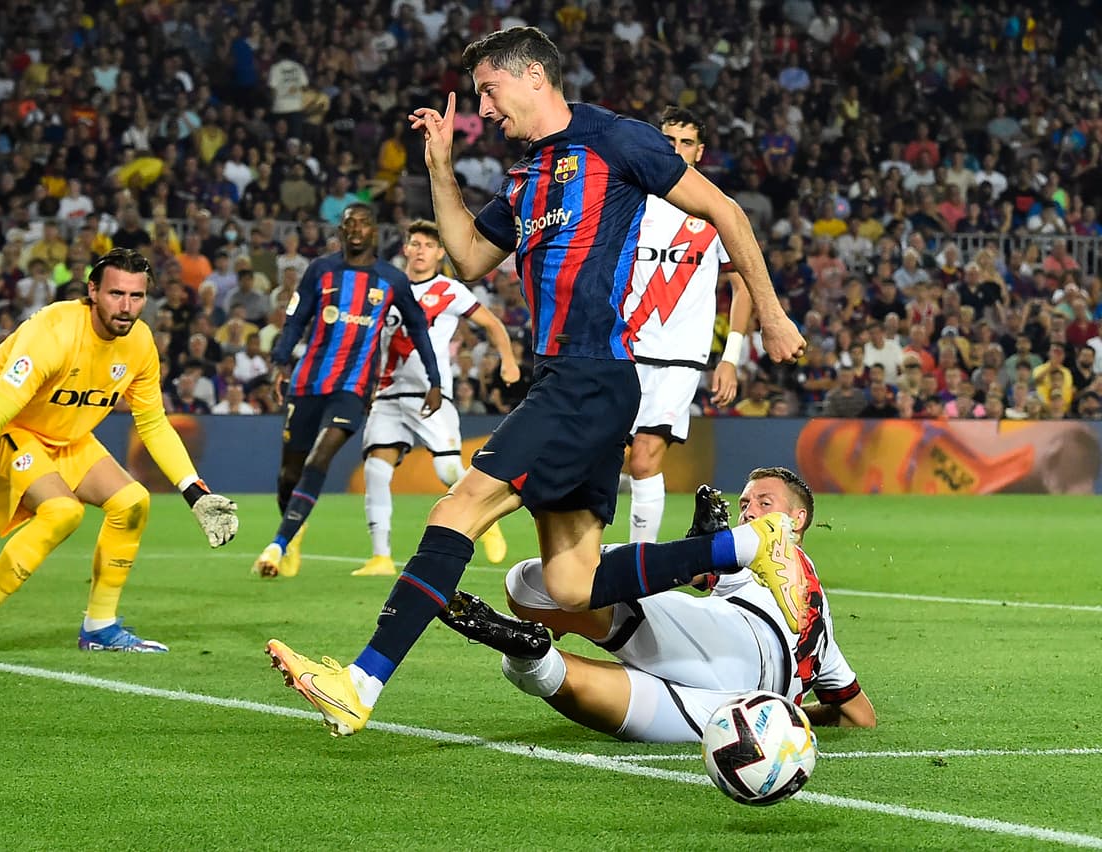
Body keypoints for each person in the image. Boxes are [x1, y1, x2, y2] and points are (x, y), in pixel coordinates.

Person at [266, 26, 803, 736]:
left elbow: (725, 210)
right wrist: (440, 167)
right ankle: (748, 546)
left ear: (534, 77)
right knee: (571, 583)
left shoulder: (615, 139)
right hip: (578, 382)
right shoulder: (525, 176)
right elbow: (467, 257)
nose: (483, 109)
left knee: (456, 509)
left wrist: (770, 314)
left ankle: (360, 683)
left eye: (489, 91)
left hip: (587, 377)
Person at [438, 469, 876, 742]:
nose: (749, 512)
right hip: (746, 713)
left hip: (734, 641)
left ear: (796, 520)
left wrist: (703, 552)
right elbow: (860, 717)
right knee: (579, 687)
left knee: (527, 585)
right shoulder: (824, 638)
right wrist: (790, 713)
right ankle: (526, 656)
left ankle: (525, 653)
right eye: (745, 504)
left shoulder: (774, 555)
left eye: (765, 503)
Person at [0, 248, 239, 657]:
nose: (126, 307)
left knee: (133, 502)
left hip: (63, 433)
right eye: (116, 294)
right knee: (62, 511)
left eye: (136, 296)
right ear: (93, 291)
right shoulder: (55, 332)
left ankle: (99, 626)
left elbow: (154, 423)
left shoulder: (139, 343)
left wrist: (195, 491)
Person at [252, 204, 443, 578]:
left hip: (353, 388)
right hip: (307, 383)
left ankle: (277, 545)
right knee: (289, 474)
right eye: (349, 223)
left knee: (319, 459)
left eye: (363, 223)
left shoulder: (392, 280)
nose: (356, 229)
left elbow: (419, 330)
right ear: (341, 231)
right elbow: (296, 319)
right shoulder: (321, 270)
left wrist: (434, 381)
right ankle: (294, 530)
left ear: (375, 231)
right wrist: (280, 362)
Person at [356, 219, 520, 577]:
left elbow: (491, 323)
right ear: (405, 249)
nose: (420, 251)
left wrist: (508, 360)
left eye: (429, 245)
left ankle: (488, 522)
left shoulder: (449, 289)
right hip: (388, 395)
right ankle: (380, 557)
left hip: (431, 395)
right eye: (415, 244)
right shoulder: (385, 287)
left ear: (440, 253)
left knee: (448, 471)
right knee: (376, 471)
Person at [622, 107, 754, 545]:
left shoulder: (718, 210)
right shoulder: (630, 201)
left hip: (680, 357)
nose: (676, 150)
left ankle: (637, 561)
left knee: (645, 459)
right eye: (669, 141)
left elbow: (743, 285)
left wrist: (730, 358)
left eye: (686, 142)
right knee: (607, 457)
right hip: (623, 347)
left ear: (699, 151)